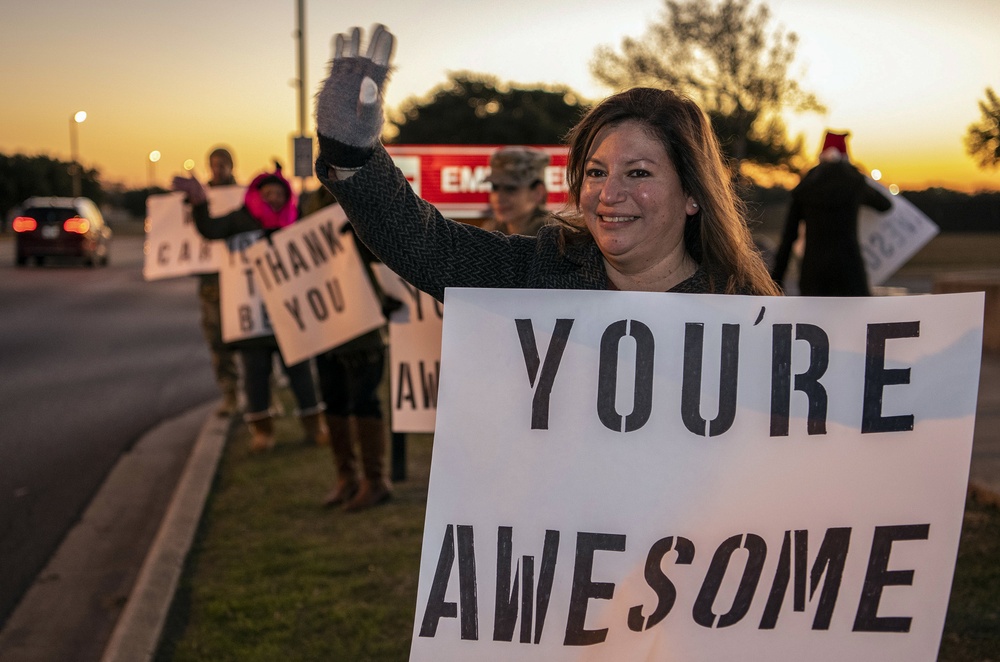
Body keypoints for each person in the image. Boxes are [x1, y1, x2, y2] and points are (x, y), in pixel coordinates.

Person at [312, 25, 778, 301]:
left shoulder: (743, 309)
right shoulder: (538, 273)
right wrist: (352, 154)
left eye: (638, 172)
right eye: (596, 172)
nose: (609, 194)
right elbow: (428, 246)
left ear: (693, 194)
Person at [173, 165, 329, 452]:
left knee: (301, 373)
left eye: (279, 193)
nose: (273, 199)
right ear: (256, 195)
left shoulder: (296, 221)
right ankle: (263, 432)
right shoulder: (240, 219)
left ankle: (314, 426)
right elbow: (210, 229)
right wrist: (199, 202)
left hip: (289, 314)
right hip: (253, 319)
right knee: (255, 377)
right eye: (267, 193)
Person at [300, 187, 401, 511]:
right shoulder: (314, 201)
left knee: (363, 400)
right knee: (334, 399)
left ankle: (375, 480)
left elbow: (389, 247)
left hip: (361, 321)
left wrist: (359, 236)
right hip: (327, 322)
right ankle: (347, 477)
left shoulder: (364, 190)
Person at [770, 130, 892, 296]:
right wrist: (857, 172)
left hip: (814, 274)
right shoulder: (854, 181)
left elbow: (789, 236)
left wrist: (776, 280)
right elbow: (885, 205)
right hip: (850, 272)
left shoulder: (807, 185)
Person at [197, 147, 241, 416]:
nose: (219, 168)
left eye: (223, 163)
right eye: (214, 164)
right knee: (217, 341)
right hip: (211, 285)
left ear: (231, 165)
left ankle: (264, 395)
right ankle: (230, 394)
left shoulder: (244, 197)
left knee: (254, 342)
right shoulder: (199, 199)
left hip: (241, 282)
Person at [480, 146, 550, 236]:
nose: (498, 198)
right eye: (495, 187)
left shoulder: (553, 237)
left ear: (538, 193)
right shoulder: (489, 232)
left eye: (510, 189)